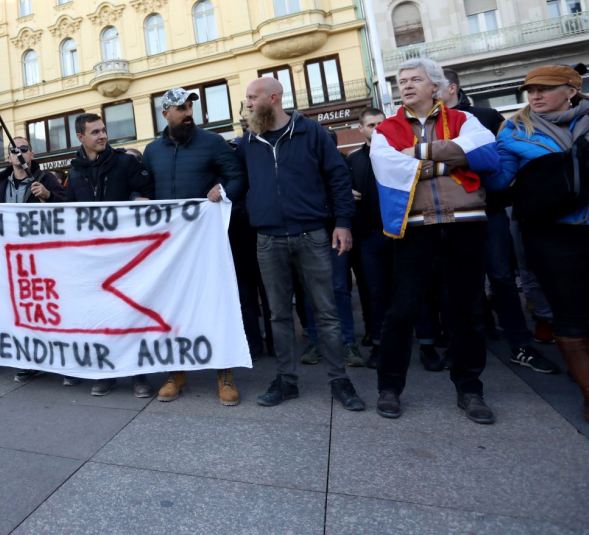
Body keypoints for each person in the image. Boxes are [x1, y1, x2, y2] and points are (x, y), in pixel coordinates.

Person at [370, 59, 500, 424]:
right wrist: (453, 159)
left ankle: (470, 389)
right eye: (402, 81)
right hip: (415, 227)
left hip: (465, 223)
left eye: (415, 79)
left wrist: (419, 155)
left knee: (468, 311)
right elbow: (388, 167)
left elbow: (485, 155)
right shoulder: (386, 128)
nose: (407, 85)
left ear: (436, 86)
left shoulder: (465, 119)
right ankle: (390, 388)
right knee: (402, 311)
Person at [238, 78, 365, 412]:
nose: (248, 103)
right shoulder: (248, 140)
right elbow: (236, 183)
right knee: (279, 314)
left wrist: (342, 222)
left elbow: (338, 178)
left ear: (273, 98)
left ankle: (340, 380)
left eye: (252, 97)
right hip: (267, 238)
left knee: (326, 311)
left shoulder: (312, 132)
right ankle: (286, 381)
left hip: (312, 234)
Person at [490, 64, 589, 428]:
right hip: (550, 236)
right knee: (569, 315)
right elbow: (500, 180)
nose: (535, 95)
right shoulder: (514, 129)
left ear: (571, 90)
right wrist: (473, 159)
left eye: (545, 88)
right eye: (530, 89)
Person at [441, 68, 559, 375]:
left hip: (488, 211)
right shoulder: (425, 125)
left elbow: (502, 163)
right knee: (456, 281)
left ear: (451, 88)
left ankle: (520, 344)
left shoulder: (485, 116)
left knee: (501, 277)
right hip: (447, 215)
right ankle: (463, 345)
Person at [143, 87, 246, 405]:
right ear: (165, 115)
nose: (188, 113)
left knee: (216, 304)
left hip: (206, 244)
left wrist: (223, 191)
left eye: (190, 107)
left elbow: (238, 177)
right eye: (181, 108)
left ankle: (224, 374)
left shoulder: (213, 142)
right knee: (171, 308)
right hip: (168, 249)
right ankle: (176, 373)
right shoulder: (152, 151)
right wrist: (137, 199)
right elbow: (143, 187)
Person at [65, 113, 156, 397]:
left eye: (103, 130)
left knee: (131, 314)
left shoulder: (126, 162)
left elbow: (148, 191)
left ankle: (138, 375)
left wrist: (130, 199)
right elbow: (68, 210)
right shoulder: (74, 171)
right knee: (101, 316)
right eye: (95, 132)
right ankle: (106, 372)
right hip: (92, 258)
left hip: (126, 253)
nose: (102, 136)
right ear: (81, 137)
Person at [0, 137, 67, 383]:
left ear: (31, 154)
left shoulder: (46, 180)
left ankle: (63, 361)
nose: (19, 153)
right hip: (13, 259)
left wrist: (48, 196)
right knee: (22, 310)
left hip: (44, 257)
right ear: (8, 158)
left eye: (23, 149)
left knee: (51, 309)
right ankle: (28, 359)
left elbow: (69, 206)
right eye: (14, 150)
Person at [346, 108, 390, 370]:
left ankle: (426, 342)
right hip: (368, 234)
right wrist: (345, 192)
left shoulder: (402, 153)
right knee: (373, 292)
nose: (377, 129)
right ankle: (378, 342)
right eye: (371, 125)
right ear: (361, 129)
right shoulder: (353, 160)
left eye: (381, 124)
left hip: (401, 232)